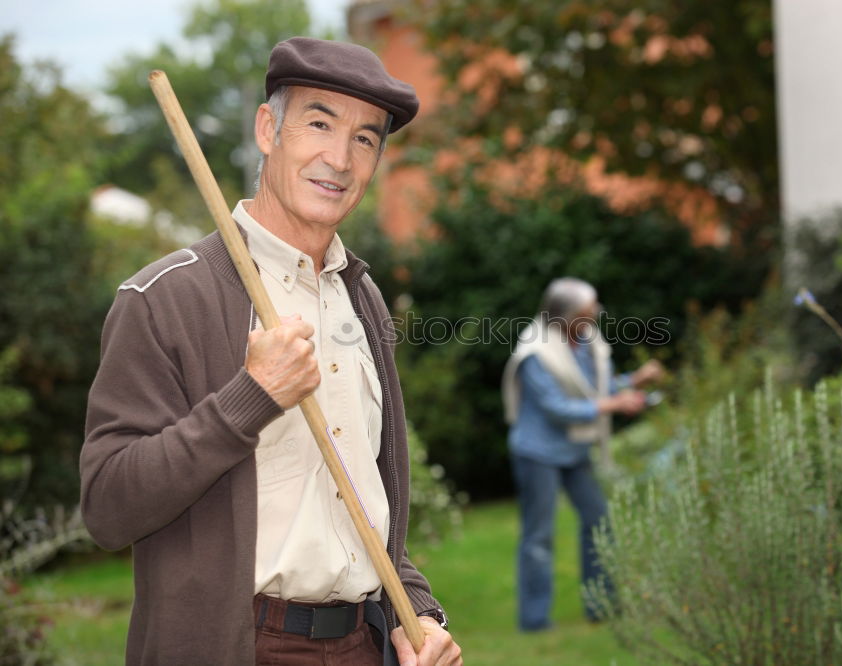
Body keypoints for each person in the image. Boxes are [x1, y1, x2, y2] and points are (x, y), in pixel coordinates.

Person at [80, 37, 461, 666]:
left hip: (363, 644)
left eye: (366, 138)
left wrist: (416, 610)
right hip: (236, 647)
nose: (339, 158)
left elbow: (365, 499)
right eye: (318, 123)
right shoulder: (163, 298)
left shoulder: (360, 296)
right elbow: (108, 508)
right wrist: (247, 400)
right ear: (267, 129)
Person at [500, 278, 664, 632]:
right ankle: (534, 620)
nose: (595, 317)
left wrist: (634, 381)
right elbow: (558, 408)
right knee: (539, 537)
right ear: (565, 315)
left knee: (598, 522)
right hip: (538, 453)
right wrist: (614, 405)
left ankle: (600, 606)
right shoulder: (536, 352)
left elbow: (595, 389)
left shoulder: (587, 342)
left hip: (574, 451)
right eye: (588, 313)